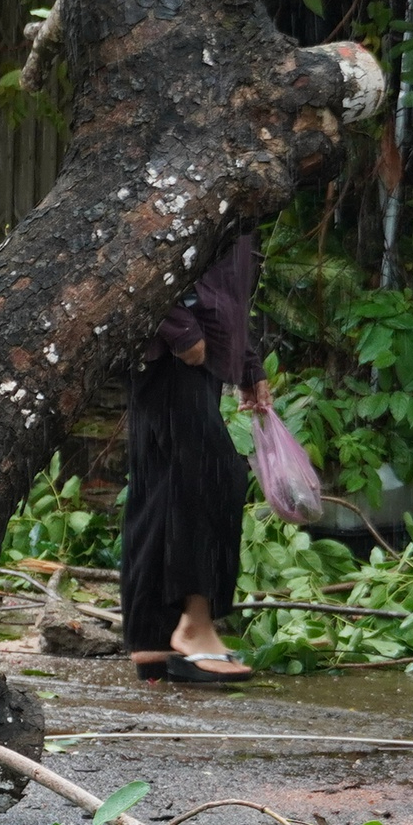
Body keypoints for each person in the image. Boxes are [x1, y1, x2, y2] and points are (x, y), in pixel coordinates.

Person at [125, 234, 267, 685]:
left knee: (163, 486)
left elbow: (222, 283)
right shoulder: (188, 183)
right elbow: (133, 251)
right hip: (175, 351)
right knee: (215, 475)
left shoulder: (236, 195)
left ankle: (152, 633)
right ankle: (196, 626)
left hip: (193, 347)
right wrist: (179, 329)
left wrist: (247, 363)